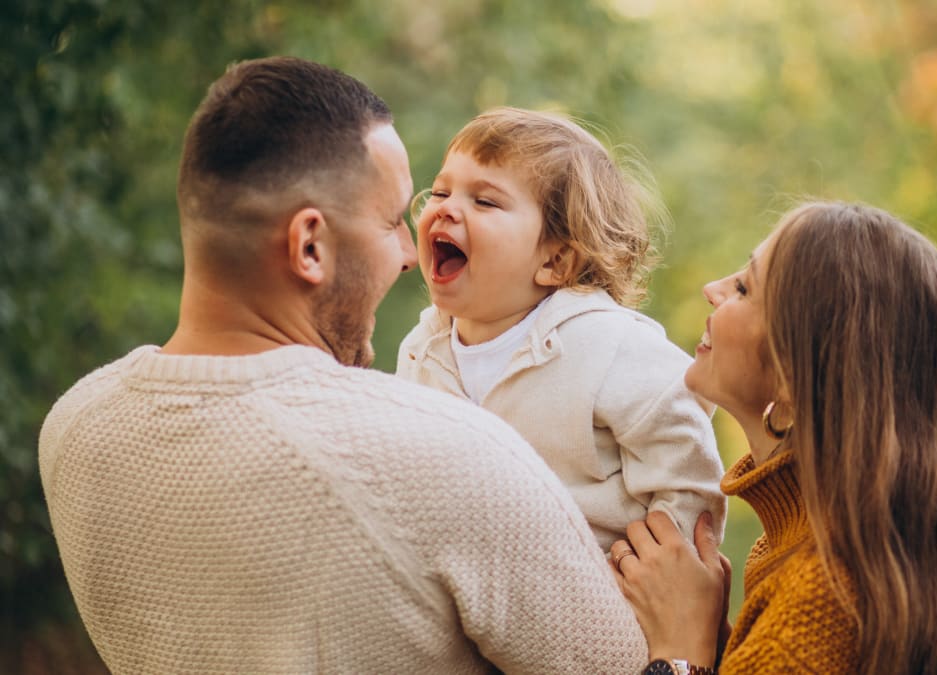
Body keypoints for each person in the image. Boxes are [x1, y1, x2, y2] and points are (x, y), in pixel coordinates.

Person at [38, 57, 648, 674]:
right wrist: (683, 653)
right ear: (310, 246)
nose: (409, 252)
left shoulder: (74, 428)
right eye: (391, 222)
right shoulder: (450, 461)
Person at [610, 202, 937, 674]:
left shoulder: (819, 599)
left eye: (743, 288)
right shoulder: (880, 557)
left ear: (793, 377)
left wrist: (681, 655)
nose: (712, 289)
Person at [396, 107, 726, 550]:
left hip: (592, 582)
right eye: (439, 191)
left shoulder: (608, 345)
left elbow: (685, 462)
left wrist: (658, 567)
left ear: (555, 261)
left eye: (485, 201)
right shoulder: (421, 351)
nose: (446, 209)